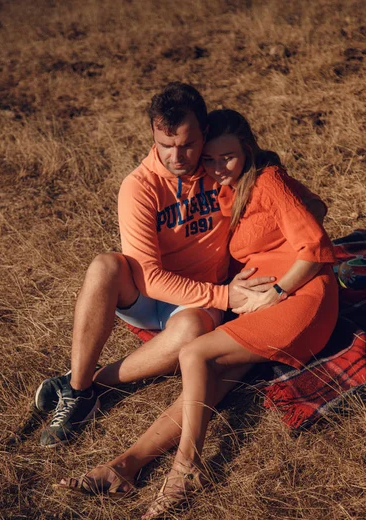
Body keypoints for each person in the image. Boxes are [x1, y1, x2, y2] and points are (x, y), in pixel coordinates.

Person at [53, 109, 338, 520]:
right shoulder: (231, 187)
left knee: (194, 355)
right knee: (210, 384)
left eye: (228, 157)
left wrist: (278, 286)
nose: (217, 167)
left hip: (297, 301)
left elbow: (314, 244)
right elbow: (316, 205)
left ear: (249, 149)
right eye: (211, 158)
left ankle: (187, 470)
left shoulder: (268, 178)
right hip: (260, 303)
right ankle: (126, 465)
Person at [35, 83, 279, 447]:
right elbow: (148, 277)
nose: (177, 156)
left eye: (187, 145)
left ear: (205, 133)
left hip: (195, 303)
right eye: (166, 146)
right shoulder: (138, 186)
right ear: (153, 133)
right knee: (104, 266)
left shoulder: (220, 167)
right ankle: (78, 389)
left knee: (193, 328)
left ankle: (83, 385)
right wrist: (226, 295)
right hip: (151, 294)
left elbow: (286, 200)